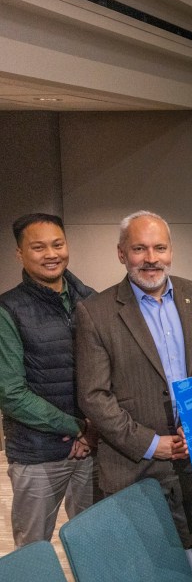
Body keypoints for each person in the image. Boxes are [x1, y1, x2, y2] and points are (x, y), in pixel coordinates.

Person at [75, 211, 192, 546]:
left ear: (171, 251)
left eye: (159, 248)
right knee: (147, 573)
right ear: (121, 254)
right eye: (139, 249)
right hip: (134, 468)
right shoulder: (95, 312)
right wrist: (149, 443)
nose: (151, 259)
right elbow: (93, 395)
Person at [0, 213, 95, 546]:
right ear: (20, 254)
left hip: (91, 450)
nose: (51, 254)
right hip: (37, 454)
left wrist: (92, 431)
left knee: (96, 547)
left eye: (57, 244)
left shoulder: (90, 299)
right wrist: (76, 427)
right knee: (33, 555)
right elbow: (11, 394)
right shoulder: (8, 310)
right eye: (38, 247)